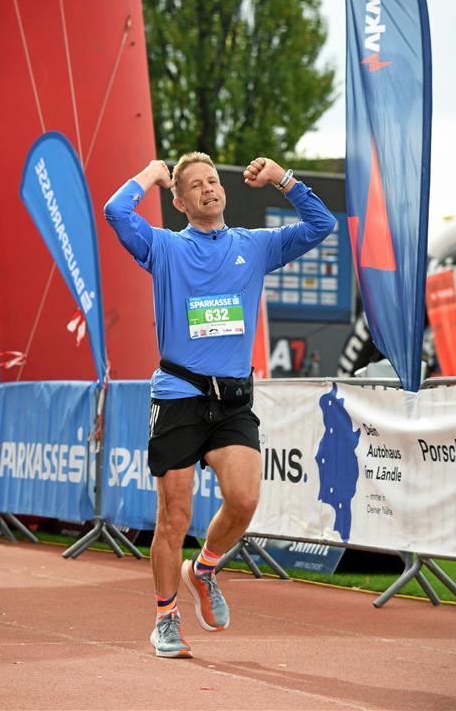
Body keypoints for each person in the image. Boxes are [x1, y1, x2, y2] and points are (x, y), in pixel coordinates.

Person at [103, 152, 334, 658]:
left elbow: (322, 223)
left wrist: (283, 179)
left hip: (231, 400)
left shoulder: (254, 246)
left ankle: (203, 570)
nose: (208, 188)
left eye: (213, 181)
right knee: (173, 517)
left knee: (245, 498)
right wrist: (150, 174)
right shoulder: (163, 248)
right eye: (195, 185)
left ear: (223, 192)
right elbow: (116, 213)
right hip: (179, 396)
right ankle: (165, 618)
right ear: (181, 201)